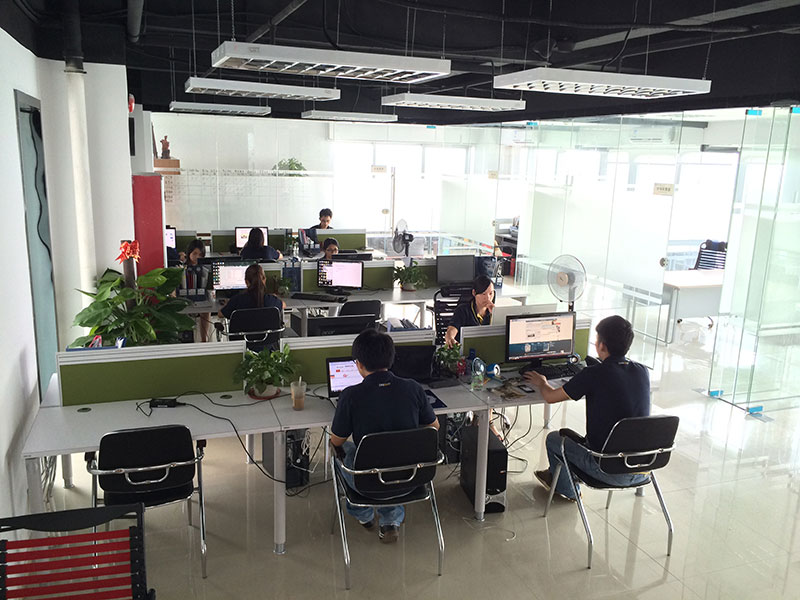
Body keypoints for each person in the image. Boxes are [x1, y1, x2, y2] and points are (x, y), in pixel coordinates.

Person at [524, 315, 650, 501]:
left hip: (607, 469)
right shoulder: (642, 371)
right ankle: (558, 475)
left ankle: (568, 489)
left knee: (554, 439)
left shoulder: (594, 374)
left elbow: (550, 397)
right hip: (644, 467)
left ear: (602, 346)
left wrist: (542, 382)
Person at [330, 329, 439, 543]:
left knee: (340, 451)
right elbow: (434, 428)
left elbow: (336, 441)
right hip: (412, 479)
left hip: (367, 483)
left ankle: (364, 514)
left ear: (358, 364)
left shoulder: (350, 396)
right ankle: (390, 521)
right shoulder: (414, 388)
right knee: (394, 453)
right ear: (391, 358)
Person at [218, 263, 285, 321]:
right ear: (264, 280)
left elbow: (220, 314)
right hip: (267, 332)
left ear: (246, 282)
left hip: (243, 332)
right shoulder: (271, 300)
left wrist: (228, 304)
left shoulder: (237, 300)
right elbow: (283, 305)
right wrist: (274, 297)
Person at [444, 275, 495, 348]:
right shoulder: (462, 310)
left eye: (491, 293)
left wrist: (496, 313)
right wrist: (450, 338)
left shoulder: (495, 312)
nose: (488, 298)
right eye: (483, 294)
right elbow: (452, 328)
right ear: (474, 293)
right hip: (466, 350)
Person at [183, 239, 211, 342]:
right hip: (185, 296)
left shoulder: (205, 268)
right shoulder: (183, 268)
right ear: (189, 253)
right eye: (195, 254)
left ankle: (204, 339)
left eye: (200, 255)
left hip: (202, 296)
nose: (197, 257)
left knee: (206, 310)